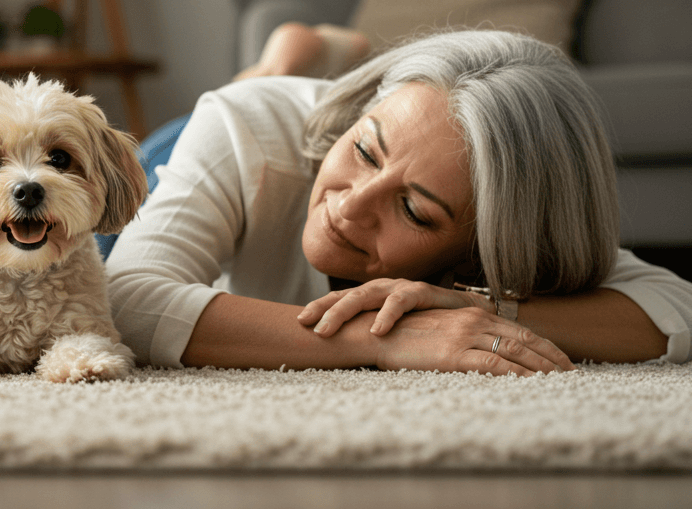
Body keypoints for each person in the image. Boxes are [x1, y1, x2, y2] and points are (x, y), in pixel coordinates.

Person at [107, 28, 692, 375]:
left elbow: (676, 308)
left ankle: (306, 64)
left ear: (481, 247)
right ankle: (283, 63)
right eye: (364, 151)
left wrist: (478, 308)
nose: (352, 206)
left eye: (414, 210)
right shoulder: (245, 126)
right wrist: (381, 339)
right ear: (360, 115)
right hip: (185, 150)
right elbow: (126, 300)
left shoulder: (498, 231)